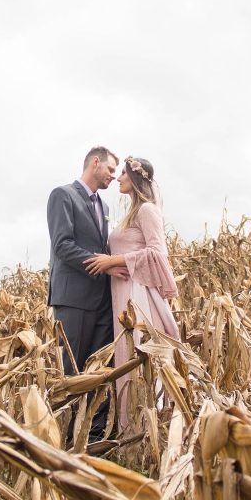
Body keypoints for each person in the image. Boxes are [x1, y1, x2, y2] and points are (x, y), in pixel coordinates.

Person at [84, 156, 179, 430]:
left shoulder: (147, 210)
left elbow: (157, 253)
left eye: (123, 172)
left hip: (137, 293)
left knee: (139, 352)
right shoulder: (131, 212)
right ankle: (131, 432)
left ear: (137, 177)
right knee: (125, 354)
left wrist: (113, 261)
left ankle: (151, 428)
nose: (118, 177)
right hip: (122, 292)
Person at [46, 146, 128, 441]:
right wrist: (104, 267)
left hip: (102, 300)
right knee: (72, 369)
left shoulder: (104, 208)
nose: (113, 177)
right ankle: (65, 437)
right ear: (95, 163)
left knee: (99, 367)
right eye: (110, 170)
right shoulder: (63, 195)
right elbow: (62, 246)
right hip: (72, 299)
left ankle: (92, 436)